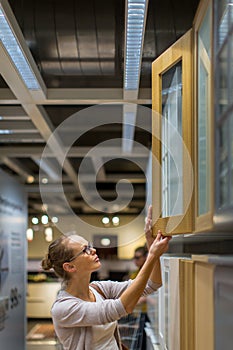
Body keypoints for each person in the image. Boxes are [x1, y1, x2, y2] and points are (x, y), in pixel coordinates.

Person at [41, 206, 171, 350]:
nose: (93, 250)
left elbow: (152, 284)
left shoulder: (99, 289)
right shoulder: (63, 308)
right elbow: (122, 307)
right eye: (85, 250)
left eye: (89, 246)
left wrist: (151, 243)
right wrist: (151, 255)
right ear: (70, 267)